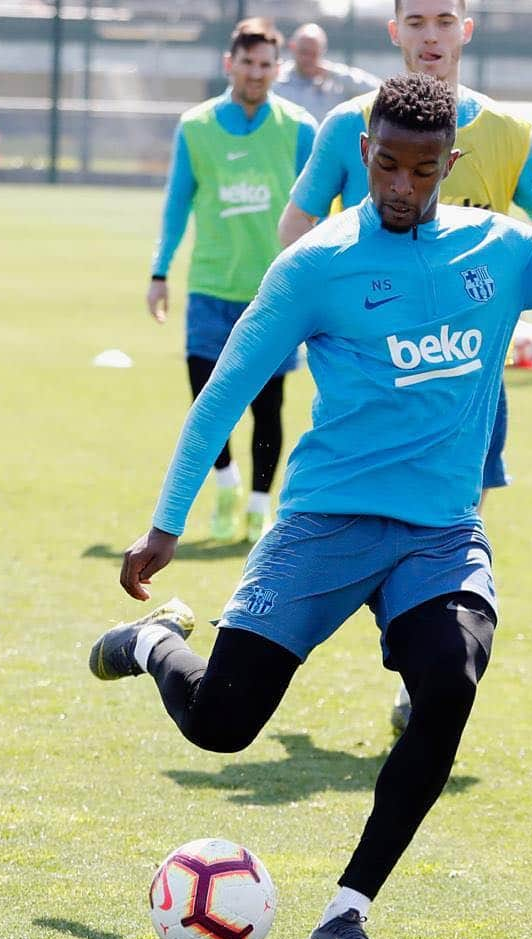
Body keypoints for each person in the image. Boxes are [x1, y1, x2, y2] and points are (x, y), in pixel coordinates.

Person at [89, 73, 532, 939]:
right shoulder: (315, 266)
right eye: (385, 166)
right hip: (325, 524)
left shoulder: (498, 250)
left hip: (437, 535)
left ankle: (346, 915)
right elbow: (222, 394)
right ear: (363, 156)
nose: (400, 187)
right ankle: (155, 644)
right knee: (223, 727)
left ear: (448, 165)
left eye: (421, 171)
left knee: (450, 678)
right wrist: (164, 526)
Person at [277, 0, 532, 731]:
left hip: (467, 382)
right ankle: (277, 632)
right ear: (395, 33)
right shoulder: (349, 123)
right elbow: (299, 221)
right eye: (415, 22)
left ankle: (422, 674)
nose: (430, 36)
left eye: (444, 21)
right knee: (348, 520)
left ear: (465, 32)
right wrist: (289, 309)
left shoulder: (508, 132)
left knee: (457, 522)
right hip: (372, 385)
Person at [146, 18, 317, 544]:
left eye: (267, 65)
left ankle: (259, 506)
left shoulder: (299, 127)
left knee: (269, 404)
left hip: (273, 291)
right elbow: (177, 203)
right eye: (248, 63)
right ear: (230, 64)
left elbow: (318, 207)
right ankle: (225, 484)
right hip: (210, 286)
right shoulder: (196, 127)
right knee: (206, 397)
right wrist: (159, 271)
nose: (256, 73)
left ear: (277, 68)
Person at [272, 23, 382, 123]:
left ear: (322, 52)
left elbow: (378, 90)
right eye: (304, 52)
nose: (308, 59)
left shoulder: (336, 84)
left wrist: (334, 72)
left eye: (313, 54)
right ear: (292, 47)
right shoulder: (277, 79)